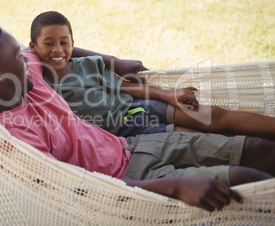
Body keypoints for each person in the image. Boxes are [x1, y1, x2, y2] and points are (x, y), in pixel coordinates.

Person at [0, 27, 274, 212]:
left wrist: (113, 61)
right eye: (15, 58)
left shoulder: (28, 76)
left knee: (261, 150)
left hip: (132, 144)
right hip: (127, 183)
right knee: (246, 178)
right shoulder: (12, 142)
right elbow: (78, 191)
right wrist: (175, 187)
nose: (26, 59)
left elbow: (37, 48)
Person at [29, 11, 275, 140]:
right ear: (33, 47)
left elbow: (125, 87)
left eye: (64, 42)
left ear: (73, 42)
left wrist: (169, 95)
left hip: (138, 104)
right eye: (48, 43)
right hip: (126, 131)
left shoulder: (87, 64)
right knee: (199, 138)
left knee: (214, 116)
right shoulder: (37, 81)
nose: (58, 50)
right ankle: (258, 149)